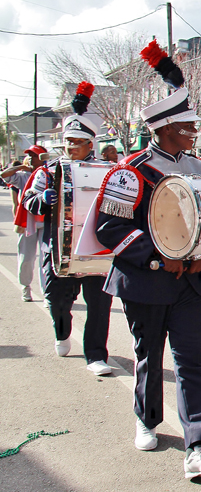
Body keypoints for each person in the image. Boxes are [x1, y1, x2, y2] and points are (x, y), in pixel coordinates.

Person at [93, 40, 201, 478]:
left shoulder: (198, 168)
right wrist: (158, 259)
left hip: (192, 284)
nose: (194, 131)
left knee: (190, 361)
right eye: (187, 125)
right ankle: (146, 417)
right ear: (165, 128)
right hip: (148, 281)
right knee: (149, 354)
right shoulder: (129, 171)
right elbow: (108, 229)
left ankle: (200, 446)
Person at [20, 83, 114, 373]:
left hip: (95, 248)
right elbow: (28, 199)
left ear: (90, 144)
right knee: (57, 300)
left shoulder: (106, 171)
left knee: (99, 304)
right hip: (58, 246)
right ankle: (61, 331)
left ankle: (96, 355)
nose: (71, 147)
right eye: (68, 141)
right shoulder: (48, 171)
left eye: (77, 142)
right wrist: (43, 199)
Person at [6, 145, 48, 301]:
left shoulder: (49, 174)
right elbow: (4, 175)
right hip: (27, 223)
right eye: (29, 156)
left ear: (43, 158)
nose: (31, 159)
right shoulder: (22, 176)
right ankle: (25, 287)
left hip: (45, 223)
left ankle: (47, 294)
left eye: (34, 156)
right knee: (26, 258)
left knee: (46, 259)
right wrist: (21, 167)